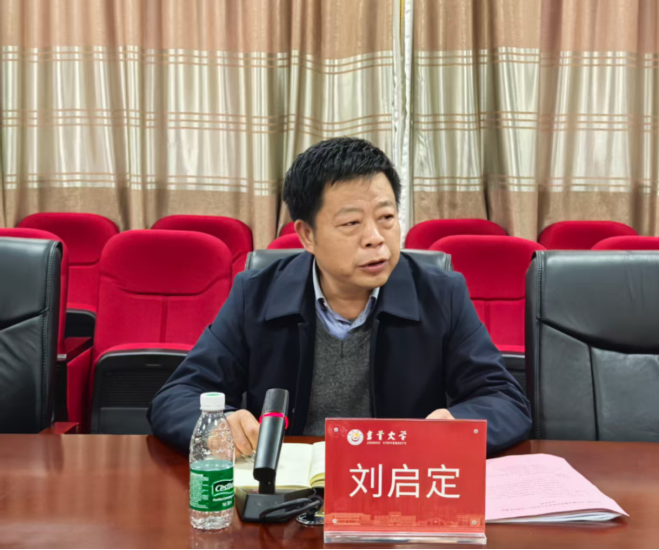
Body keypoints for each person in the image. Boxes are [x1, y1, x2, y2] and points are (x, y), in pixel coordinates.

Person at [148, 137, 531, 455]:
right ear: (307, 235)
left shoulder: (441, 294)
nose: (375, 238)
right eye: (351, 223)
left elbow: (504, 400)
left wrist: (456, 425)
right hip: (288, 489)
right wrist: (218, 427)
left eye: (387, 218)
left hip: (396, 483)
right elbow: (177, 396)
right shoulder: (257, 294)